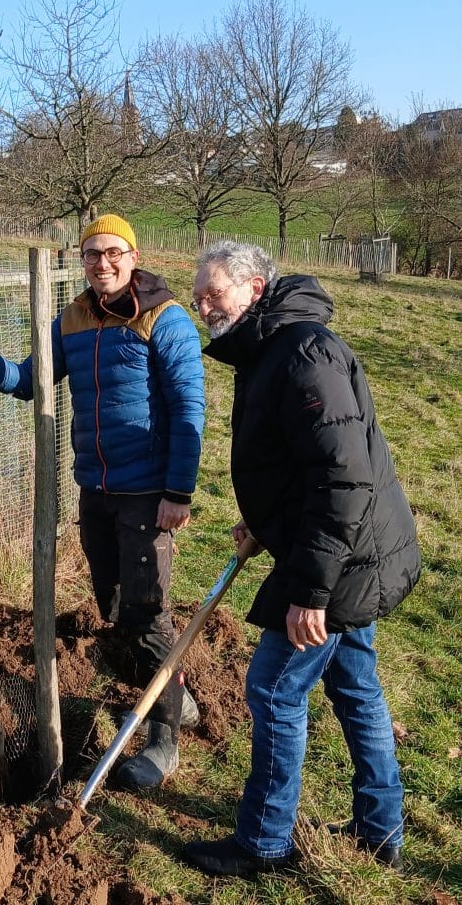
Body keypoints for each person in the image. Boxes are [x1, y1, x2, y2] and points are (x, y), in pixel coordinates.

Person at [183, 241, 420, 877]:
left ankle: (263, 841)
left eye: (214, 294)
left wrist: (311, 592)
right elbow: (300, 464)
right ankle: (381, 828)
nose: (203, 306)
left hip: (343, 561)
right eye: (199, 295)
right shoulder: (271, 347)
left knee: (272, 688)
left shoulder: (304, 352)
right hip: (344, 547)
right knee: (355, 686)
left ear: (254, 291)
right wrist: (263, 522)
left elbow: (341, 480)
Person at [0, 213, 205, 791]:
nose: (103, 264)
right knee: (116, 609)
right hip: (95, 490)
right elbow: (31, 380)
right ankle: (178, 701)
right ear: (82, 260)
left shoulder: (163, 319)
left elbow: (190, 408)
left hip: (148, 493)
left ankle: (163, 741)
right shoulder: (70, 319)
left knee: (149, 615)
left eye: (114, 253)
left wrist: (177, 493)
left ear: (133, 257)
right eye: (92, 254)